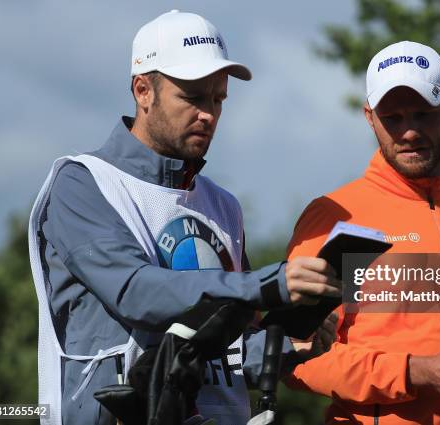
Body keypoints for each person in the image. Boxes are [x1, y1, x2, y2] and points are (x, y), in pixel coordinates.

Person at [28, 10, 340, 425]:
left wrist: (281, 349)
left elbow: (221, 344)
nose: (208, 114)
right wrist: (267, 284)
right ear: (143, 90)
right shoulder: (82, 182)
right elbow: (136, 292)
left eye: (218, 98)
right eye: (193, 97)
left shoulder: (224, 205)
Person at [285, 41, 440, 424]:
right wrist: (417, 371)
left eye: (423, 114)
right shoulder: (335, 216)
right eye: (393, 118)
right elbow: (295, 359)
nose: (409, 132)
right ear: (370, 117)